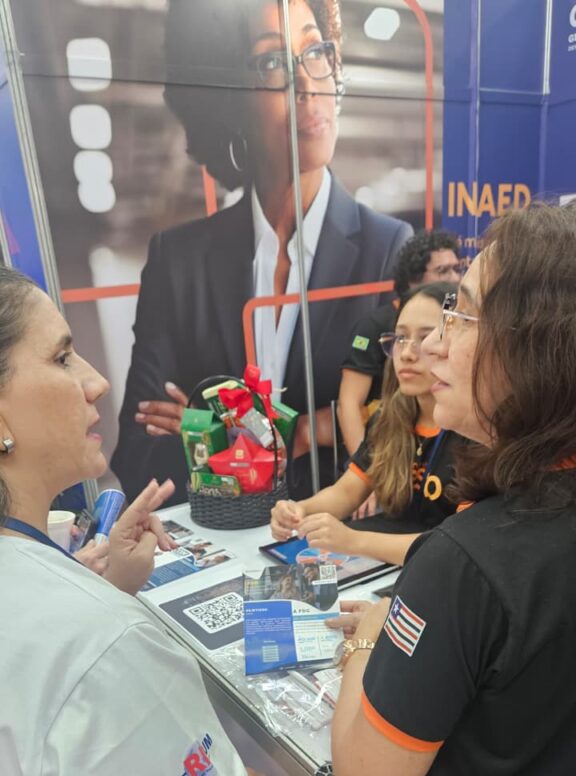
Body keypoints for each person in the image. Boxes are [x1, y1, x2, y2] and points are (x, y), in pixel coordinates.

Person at [0, 265, 283, 776]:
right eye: (62, 357)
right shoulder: (98, 644)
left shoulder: (67, 611)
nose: (96, 382)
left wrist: (94, 583)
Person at [331, 201, 576, 776]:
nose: (432, 343)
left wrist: (365, 643)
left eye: (461, 313)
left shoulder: (468, 564)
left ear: (533, 345)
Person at [111, 0, 412, 505]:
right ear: (230, 100)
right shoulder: (178, 262)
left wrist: (214, 434)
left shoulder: (387, 249)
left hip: (332, 536)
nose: (306, 83)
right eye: (272, 62)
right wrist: (301, 431)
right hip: (217, 538)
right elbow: (139, 452)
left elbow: (402, 426)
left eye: (315, 51)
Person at [270, 282, 461, 567]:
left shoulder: (474, 432)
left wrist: (353, 541)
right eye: (401, 338)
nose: (407, 353)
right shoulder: (389, 418)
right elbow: (347, 492)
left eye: (425, 338)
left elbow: (456, 547)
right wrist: (299, 510)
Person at [337, 229, 461, 461]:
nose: (454, 278)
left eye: (457, 269)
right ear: (414, 278)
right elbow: (349, 403)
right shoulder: (372, 326)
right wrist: (367, 468)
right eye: (442, 270)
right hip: (391, 445)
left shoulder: (461, 322)